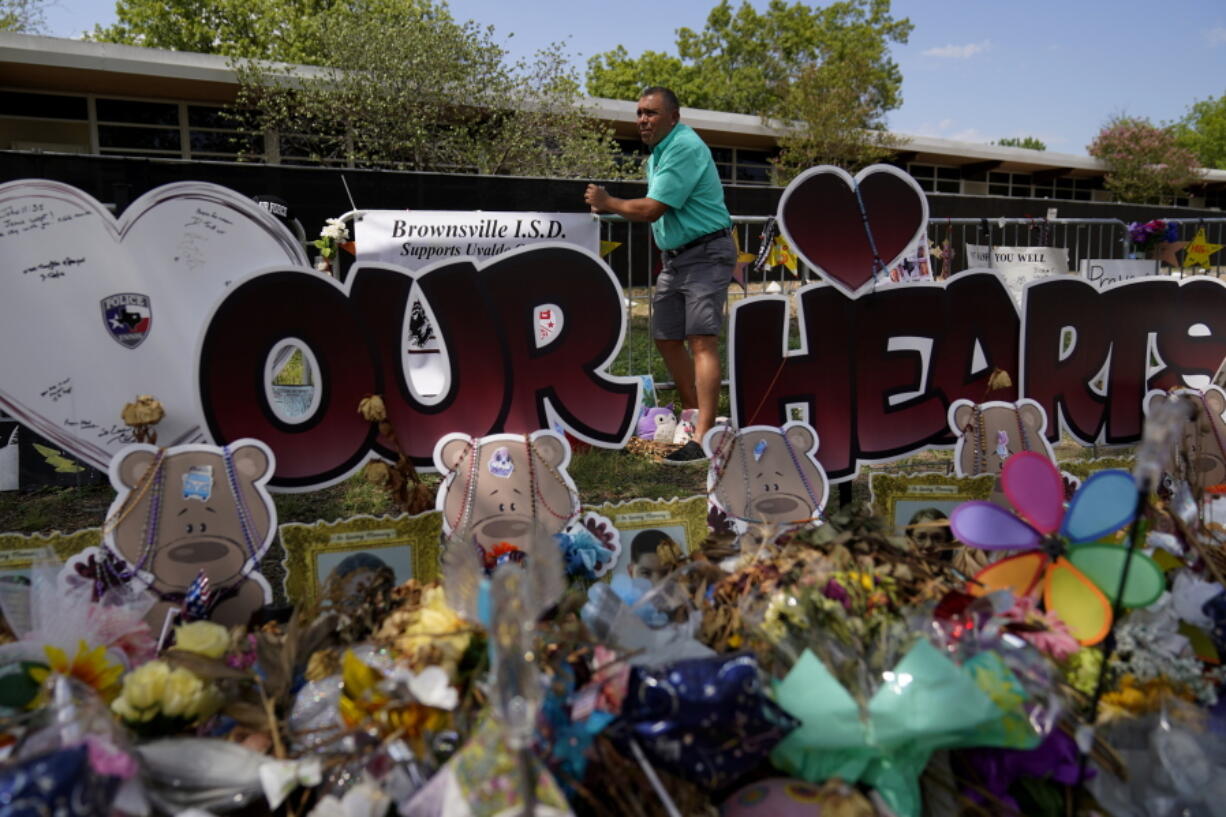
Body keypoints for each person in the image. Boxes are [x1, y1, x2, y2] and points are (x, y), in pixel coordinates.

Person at [584, 87, 735, 465]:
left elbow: (652, 209)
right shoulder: (659, 155)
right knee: (667, 338)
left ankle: (703, 437)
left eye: (651, 113)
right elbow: (654, 211)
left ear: (674, 116)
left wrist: (608, 202)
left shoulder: (684, 146)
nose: (642, 120)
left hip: (707, 254)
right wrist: (611, 210)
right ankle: (690, 414)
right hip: (678, 259)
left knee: (701, 340)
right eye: (638, 113)